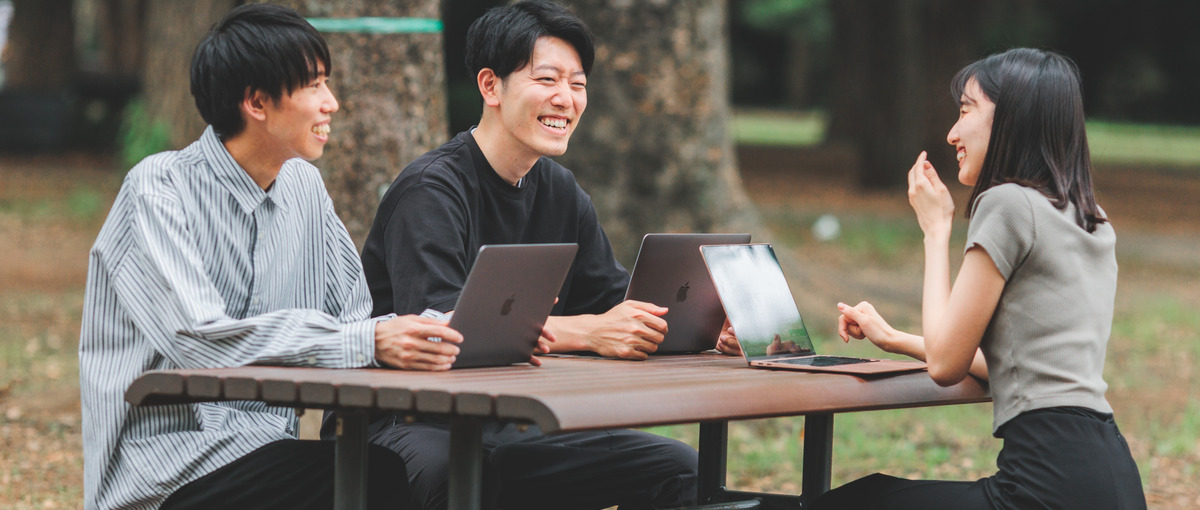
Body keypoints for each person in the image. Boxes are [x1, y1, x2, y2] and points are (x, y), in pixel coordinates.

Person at [79, 4, 463, 509]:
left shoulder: (303, 185)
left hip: (261, 449)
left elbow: (353, 320)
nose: (332, 103)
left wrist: (439, 329)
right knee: (375, 479)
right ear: (257, 102)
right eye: (314, 86)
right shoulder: (158, 189)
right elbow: (200, 341)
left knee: (418, 470)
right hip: (165, 470)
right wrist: (367, 338)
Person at [354, 1, 698, 508]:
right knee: (460, 474)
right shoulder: (431, 191)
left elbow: (616, 305)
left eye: (577, 85)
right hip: (409, 422)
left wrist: (706, 327)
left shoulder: (560, 191)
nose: (565, 99)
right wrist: (588, 332)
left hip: (515, 424)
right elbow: (443, 333)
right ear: (490, 86)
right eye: (547, 79)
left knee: (680, 469)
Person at [812, 48, 1146, 509]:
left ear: (1010, 119)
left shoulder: (1008, 203)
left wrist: (936, 231)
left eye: (966, 109)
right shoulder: (1090, 217)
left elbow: (946, 366)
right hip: (1111, 477)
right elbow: (1013, 363)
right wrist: (896, 338)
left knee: (854, 501)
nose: (951, 133)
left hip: (1046, 484)